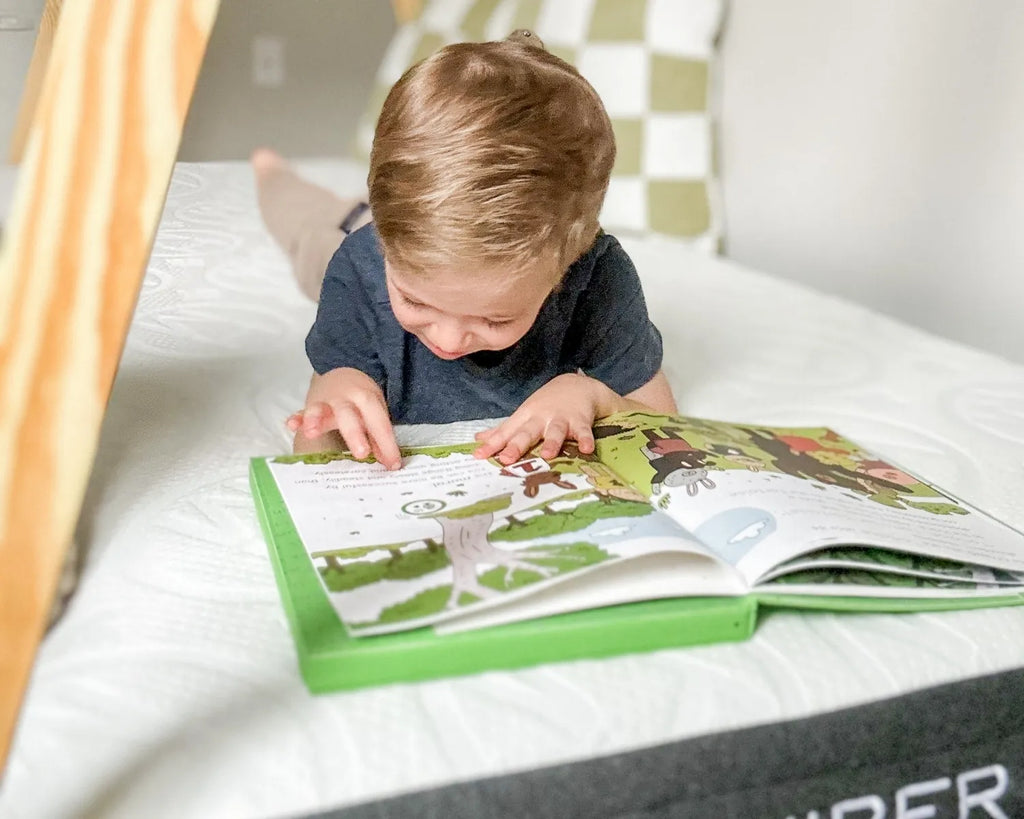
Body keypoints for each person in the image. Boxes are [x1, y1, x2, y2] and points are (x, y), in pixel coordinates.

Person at [252, 31, 677, 470]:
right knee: (307, 233)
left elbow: (664, 421)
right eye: (415, 300)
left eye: (494, 318)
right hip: (351, 237)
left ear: (567, 265)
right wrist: (335, 394)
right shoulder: (360, 266)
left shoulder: (598, 277)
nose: (448, 339)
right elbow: (314, 450)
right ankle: (272, 174)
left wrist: (599, 398)